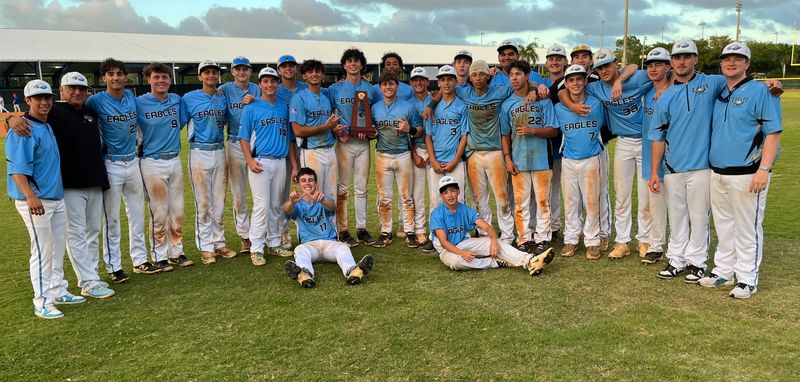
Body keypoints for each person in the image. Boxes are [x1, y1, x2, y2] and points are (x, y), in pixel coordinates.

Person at [7, 73, 118, 299]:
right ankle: (87, 282)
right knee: (73, 234)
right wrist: (10, 118)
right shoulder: (54, 111)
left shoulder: (88, 112)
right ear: (62, 91)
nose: (78, 92)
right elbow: (26, 119)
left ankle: (88, 277)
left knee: (92, 231)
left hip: (93, 181)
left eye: (82, 89)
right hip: (68, 186)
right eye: (72, 88)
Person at [700, 41, 782, 299]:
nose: (731, 63)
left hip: (748, 172)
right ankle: (724, 271)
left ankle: (747, 278)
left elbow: (773, 133)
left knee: (747, 227)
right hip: (718, 172)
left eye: (737, 59)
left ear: (747, 63)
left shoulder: (760, 91)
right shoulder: (720, 92)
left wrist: (764, 169)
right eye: (726, 59)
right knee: (724, 226)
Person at [6, 80, 73, 318]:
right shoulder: (22, 130)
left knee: (56, 248)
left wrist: (9, 118)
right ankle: (42, 301)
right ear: (28, 100)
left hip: (55, 196)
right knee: (42, 250)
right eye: (38, 98)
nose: (44, 102)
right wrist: (30, 196)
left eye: (47, 98)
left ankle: (58, 290)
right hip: (36, 201)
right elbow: (16, 170)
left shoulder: (46, 124)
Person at [87, 58, 157, 281]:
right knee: (112, 219)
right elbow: (70, 110)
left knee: (137, 214)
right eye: (111, 74)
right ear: (104, 78)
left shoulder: (130, 97)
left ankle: (140, 260)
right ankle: (114, 266)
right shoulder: (95, 101)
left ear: (127, 77)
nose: (115, 77)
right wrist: (11, 118)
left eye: (119, 73)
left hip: (132, 162)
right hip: (110, 163)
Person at [587, 48, 654, 259]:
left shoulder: (636, 78)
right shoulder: (596, 87)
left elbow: (638, 67)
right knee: (622, 195)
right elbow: (566, 89)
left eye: (607, 65)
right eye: (599, 68)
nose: (604, 71)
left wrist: (619, 81)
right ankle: (622, 241)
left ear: (616, 63)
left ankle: (645, 240)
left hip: (645, 142)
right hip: (623, 142)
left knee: (645, 195)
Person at [430, 175, 554, 275]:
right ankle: (494, 262)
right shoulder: (436, 214)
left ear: (458, 191)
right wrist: (462, 253)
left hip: (463, 243)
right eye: (445, 193)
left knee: (496, 242)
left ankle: (530, 260)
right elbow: (444, 242)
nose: (450, 195)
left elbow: (487, 227)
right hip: (446, 250)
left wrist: (494, 240)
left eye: (452, 191)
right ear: (441, 196)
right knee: (456, 262)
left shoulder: (464, 209)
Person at [239, 67, 298, 265]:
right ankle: (256, 248)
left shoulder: (283, 107)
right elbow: (243, 137)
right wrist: (249, 160)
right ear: (260, 84)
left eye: (273, 81)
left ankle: (273, 243)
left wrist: (294, 165)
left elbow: (290, 140)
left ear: (278, 83)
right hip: (260, 161)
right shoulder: (251, 107)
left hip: (280, 161)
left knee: (275, 205)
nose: (270, 85)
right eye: (265, 81)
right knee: (261, 205)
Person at [136, 63, 193, 269]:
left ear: (170, 80)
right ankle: (159, 255)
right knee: (159, 212)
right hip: (151, 161)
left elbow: (182, 122)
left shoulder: (176, 100)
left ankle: (176, 252)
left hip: (174, 159)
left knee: (177, 210)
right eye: (156, 77)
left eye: (165, 77)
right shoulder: (138, 102)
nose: (161, 80)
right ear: (149, 80)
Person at [499, 60, 559, 255]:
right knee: (521, 203)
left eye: (518, 74)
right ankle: (524, 238)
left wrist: (532, 130)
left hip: (542, 159)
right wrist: (507, 159)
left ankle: (542, 238)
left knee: (542, 201)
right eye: (511, 75)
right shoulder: (507, 104)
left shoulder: (543, 101)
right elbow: (505, 134)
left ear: (527, 76)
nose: (514, 78)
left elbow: (553, 130)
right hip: (518, 160)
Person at [181, 59, 237, 265]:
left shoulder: (222, 97)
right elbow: (178, 122)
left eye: (214, 72)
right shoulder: (189, 98)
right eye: (206, 72)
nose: (211, 75)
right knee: (203, 203)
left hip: (219, 150)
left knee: (219, 201)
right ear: (200, 76)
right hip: (199, 152)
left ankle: (219, 242)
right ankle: (206, 247)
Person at [282, 167, 374, 288]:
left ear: (316, 184)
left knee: (343, 247)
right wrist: (292, 202)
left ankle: (353, 272)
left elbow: (332, 206)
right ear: (299, 185)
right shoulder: (297, 204)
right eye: (303, 180)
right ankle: (305, 275)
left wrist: (323, 201)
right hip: (309, 245)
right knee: (299, 250)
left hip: (329, 244)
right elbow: (286, 210)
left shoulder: (324, 199)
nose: (307, 183)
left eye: (310, 180)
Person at [456, 59, 516, 244]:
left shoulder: (499, 91)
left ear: (488, 76)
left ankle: (507, 235)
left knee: (502, 197)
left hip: (495, 151)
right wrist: (431, 105)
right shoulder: (464, 92)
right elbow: (446, 89)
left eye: (482, 74)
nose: (478, 78)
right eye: (474, 74)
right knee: (479, 198)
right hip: (474, 152)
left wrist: (534, 90)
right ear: (470, 77)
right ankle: (484, 233)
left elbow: (521, 86)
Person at [327, 49, 379, 247]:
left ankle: (362, 228)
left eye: (356, 61)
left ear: (362, 65)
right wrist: (335, 129)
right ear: (344, 65)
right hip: (344, 142)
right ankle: (342, 229)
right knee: (342, 188)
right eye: (349, 61)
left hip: (363, 144)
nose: (353, 64)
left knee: (362, 188)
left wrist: (372, 130)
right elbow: (325, 111)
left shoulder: (371, 89)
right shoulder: (335, 88)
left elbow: (376, 114)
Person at [555, 65, 607, 260]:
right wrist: (571, 105)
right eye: (571, 80)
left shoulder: (596, 103)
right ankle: (571, 239)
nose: (575, 83)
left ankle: (592, 241)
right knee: (571, 202)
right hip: (568, 159)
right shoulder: (559, 108)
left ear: (585, 80)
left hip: (591, 158)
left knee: (592, 202)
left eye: (579, 79)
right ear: (566, 84)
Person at [371, 72, 423, 248]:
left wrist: (409, 129)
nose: (388, 87)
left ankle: (409, 231)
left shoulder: (408, 106)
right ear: (380, 87)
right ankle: (385, 232)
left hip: (403, 154)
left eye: (391, 84)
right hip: (382, 154)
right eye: (385, 84)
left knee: (406, 196)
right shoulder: (375, 108)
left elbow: (419, 130)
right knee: (384, 197)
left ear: (397, 86)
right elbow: (371, 130)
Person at [290, 59, 344, 213]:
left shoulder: (325, 96)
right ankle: (311, 228)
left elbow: (328, 125)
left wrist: (334, 129)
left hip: (330, 149)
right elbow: (298, 131)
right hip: (311, 151)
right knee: (311, 194)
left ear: (323, 75)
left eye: (318, 71)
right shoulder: (299, 98)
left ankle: (330, 228)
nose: (314, 74)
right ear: (304, 76)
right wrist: (326, 127)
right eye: (310, 72)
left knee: (331, 195)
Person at [219, 56, 260, 256]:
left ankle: (263, 233)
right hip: (235, 141)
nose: (242, 72)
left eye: (245, 69)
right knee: (239, 193)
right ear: (233, 72)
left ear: (250, 71)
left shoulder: (257, 89)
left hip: (256, 142)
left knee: (261, 192)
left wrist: (254, 103)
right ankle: (245, 236)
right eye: (238, 69)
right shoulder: (225, 89)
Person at [639, 47, 672, 265]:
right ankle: (656, 245)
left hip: (676, 156)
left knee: (679, 207)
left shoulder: (677, 90)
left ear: (668, 67)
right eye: (650, 65)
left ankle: (680, 247)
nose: (653, 68)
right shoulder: (645, 92)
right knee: (655, 203)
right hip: (651, 155)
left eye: (658, 64)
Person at [424, 65, 469, 210]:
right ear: (438, 83)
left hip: (456, 162)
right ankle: (436, 227)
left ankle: (461, 227)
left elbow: (464, 136)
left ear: (455, 81)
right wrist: (433, 160)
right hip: (436, 161)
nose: (446, 83)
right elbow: (428, 136)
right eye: (442, 80)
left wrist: (455, 160)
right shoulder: (432, 108)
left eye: (449, 79)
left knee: (458, 200)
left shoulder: (461, 106)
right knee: (436, 202)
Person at [276, 54, 307, 250]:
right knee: (284, 192)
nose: (288, 69)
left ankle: (306, 231)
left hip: (306, 143)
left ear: (296, 68)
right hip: (284, 143)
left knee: (307, 188)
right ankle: (283, 232)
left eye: (291, 66)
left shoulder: (305, 87)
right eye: (284, 66)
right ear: (279, 70)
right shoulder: (274, 89)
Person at [407, 67, 435, 252]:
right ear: (411, 83)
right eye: (415, 80)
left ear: (427, 82)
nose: (418, 83)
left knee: (435, 194)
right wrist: (414, 154)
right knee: (417, 194)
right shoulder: (407, 104)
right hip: (416, 148)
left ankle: (435, 230)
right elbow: (405, 133)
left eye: (421, 79)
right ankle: (419, 230)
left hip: (434, 150)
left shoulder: (435, 100)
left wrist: (433, 154)